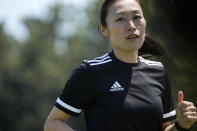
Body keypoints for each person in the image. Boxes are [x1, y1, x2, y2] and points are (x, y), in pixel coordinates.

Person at [44, 0, 197, 130]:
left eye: (137, 17)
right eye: (120, 19)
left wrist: (180, 125)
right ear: (103, 29)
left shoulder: (158, 72)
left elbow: (165, 128)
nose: (131, 26)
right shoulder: (90, 71)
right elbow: (52, 123)